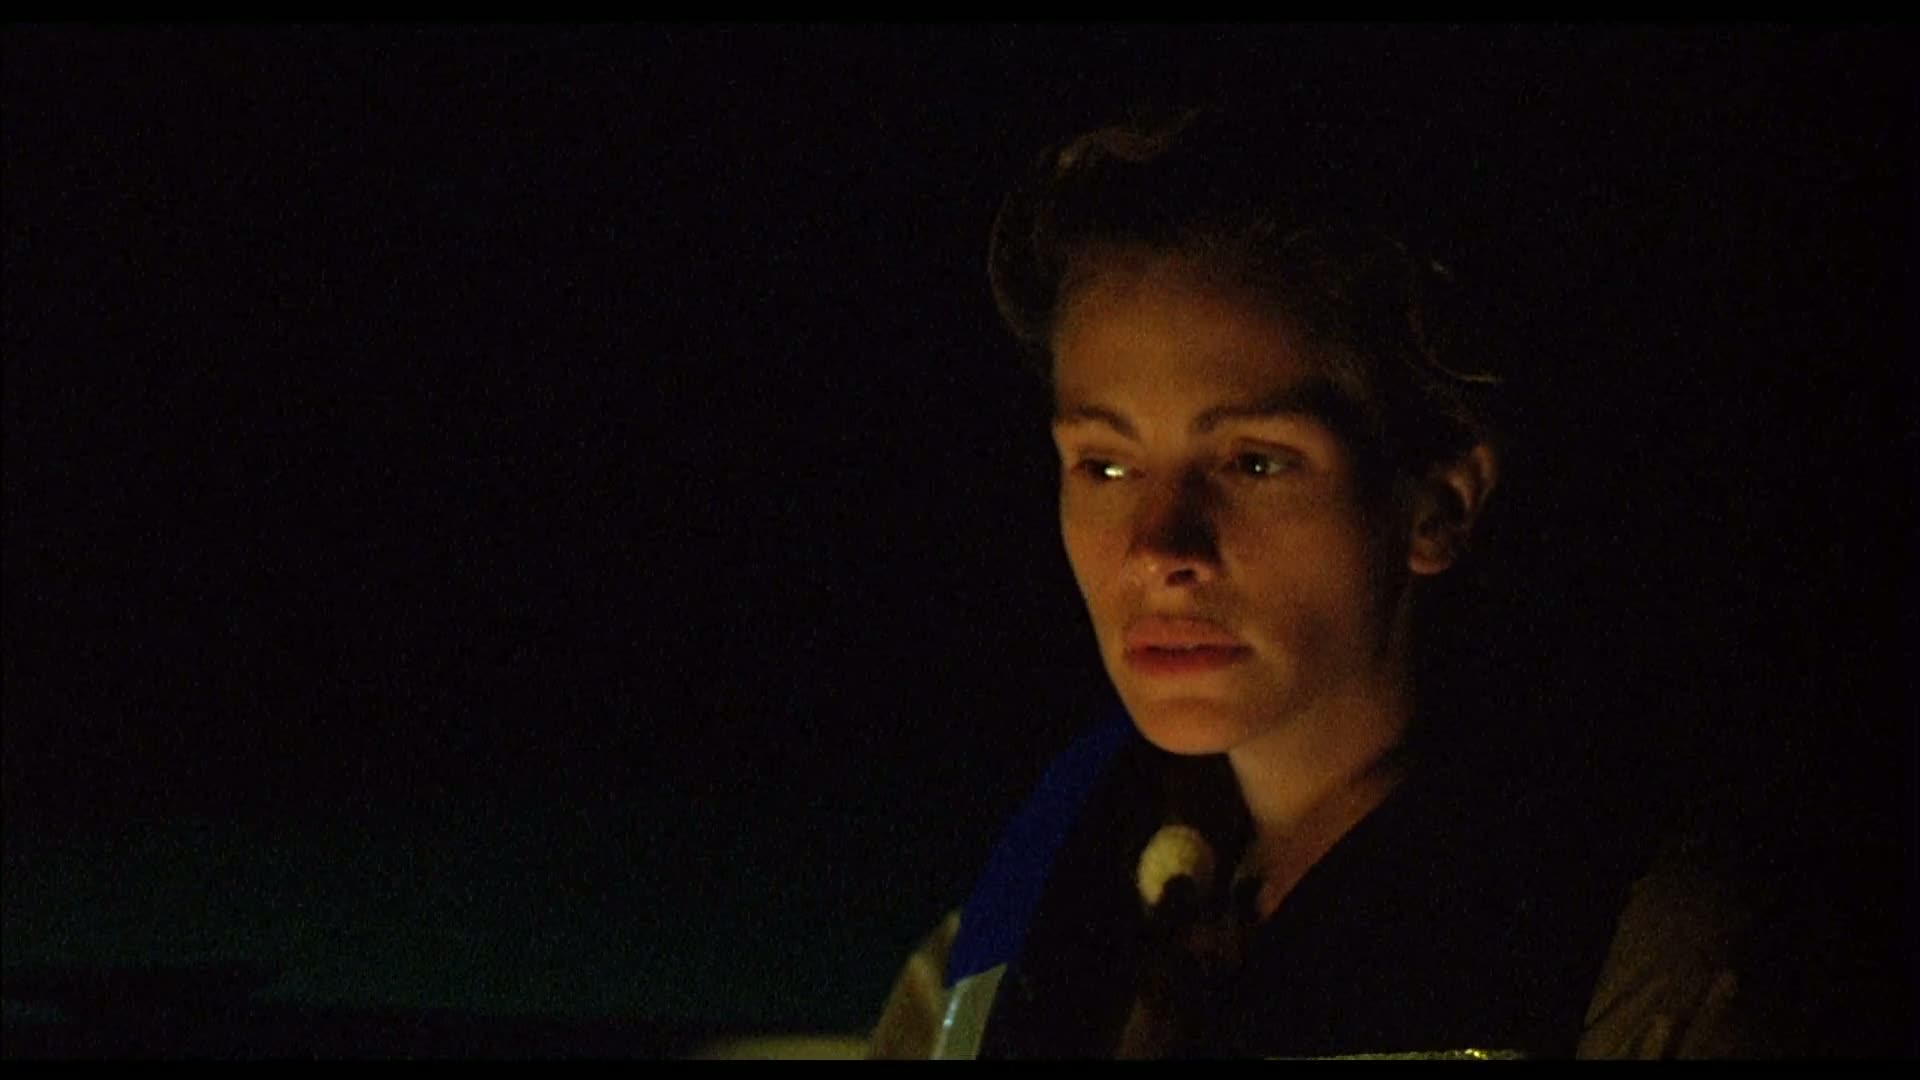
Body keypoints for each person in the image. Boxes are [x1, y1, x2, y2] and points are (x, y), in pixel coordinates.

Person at [864, 110, 1788, 1059]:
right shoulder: (1025, 927)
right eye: (1105, 466)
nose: (1158, 548)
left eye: (1255, 463)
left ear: (1438, 505)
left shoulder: (1612, 939)